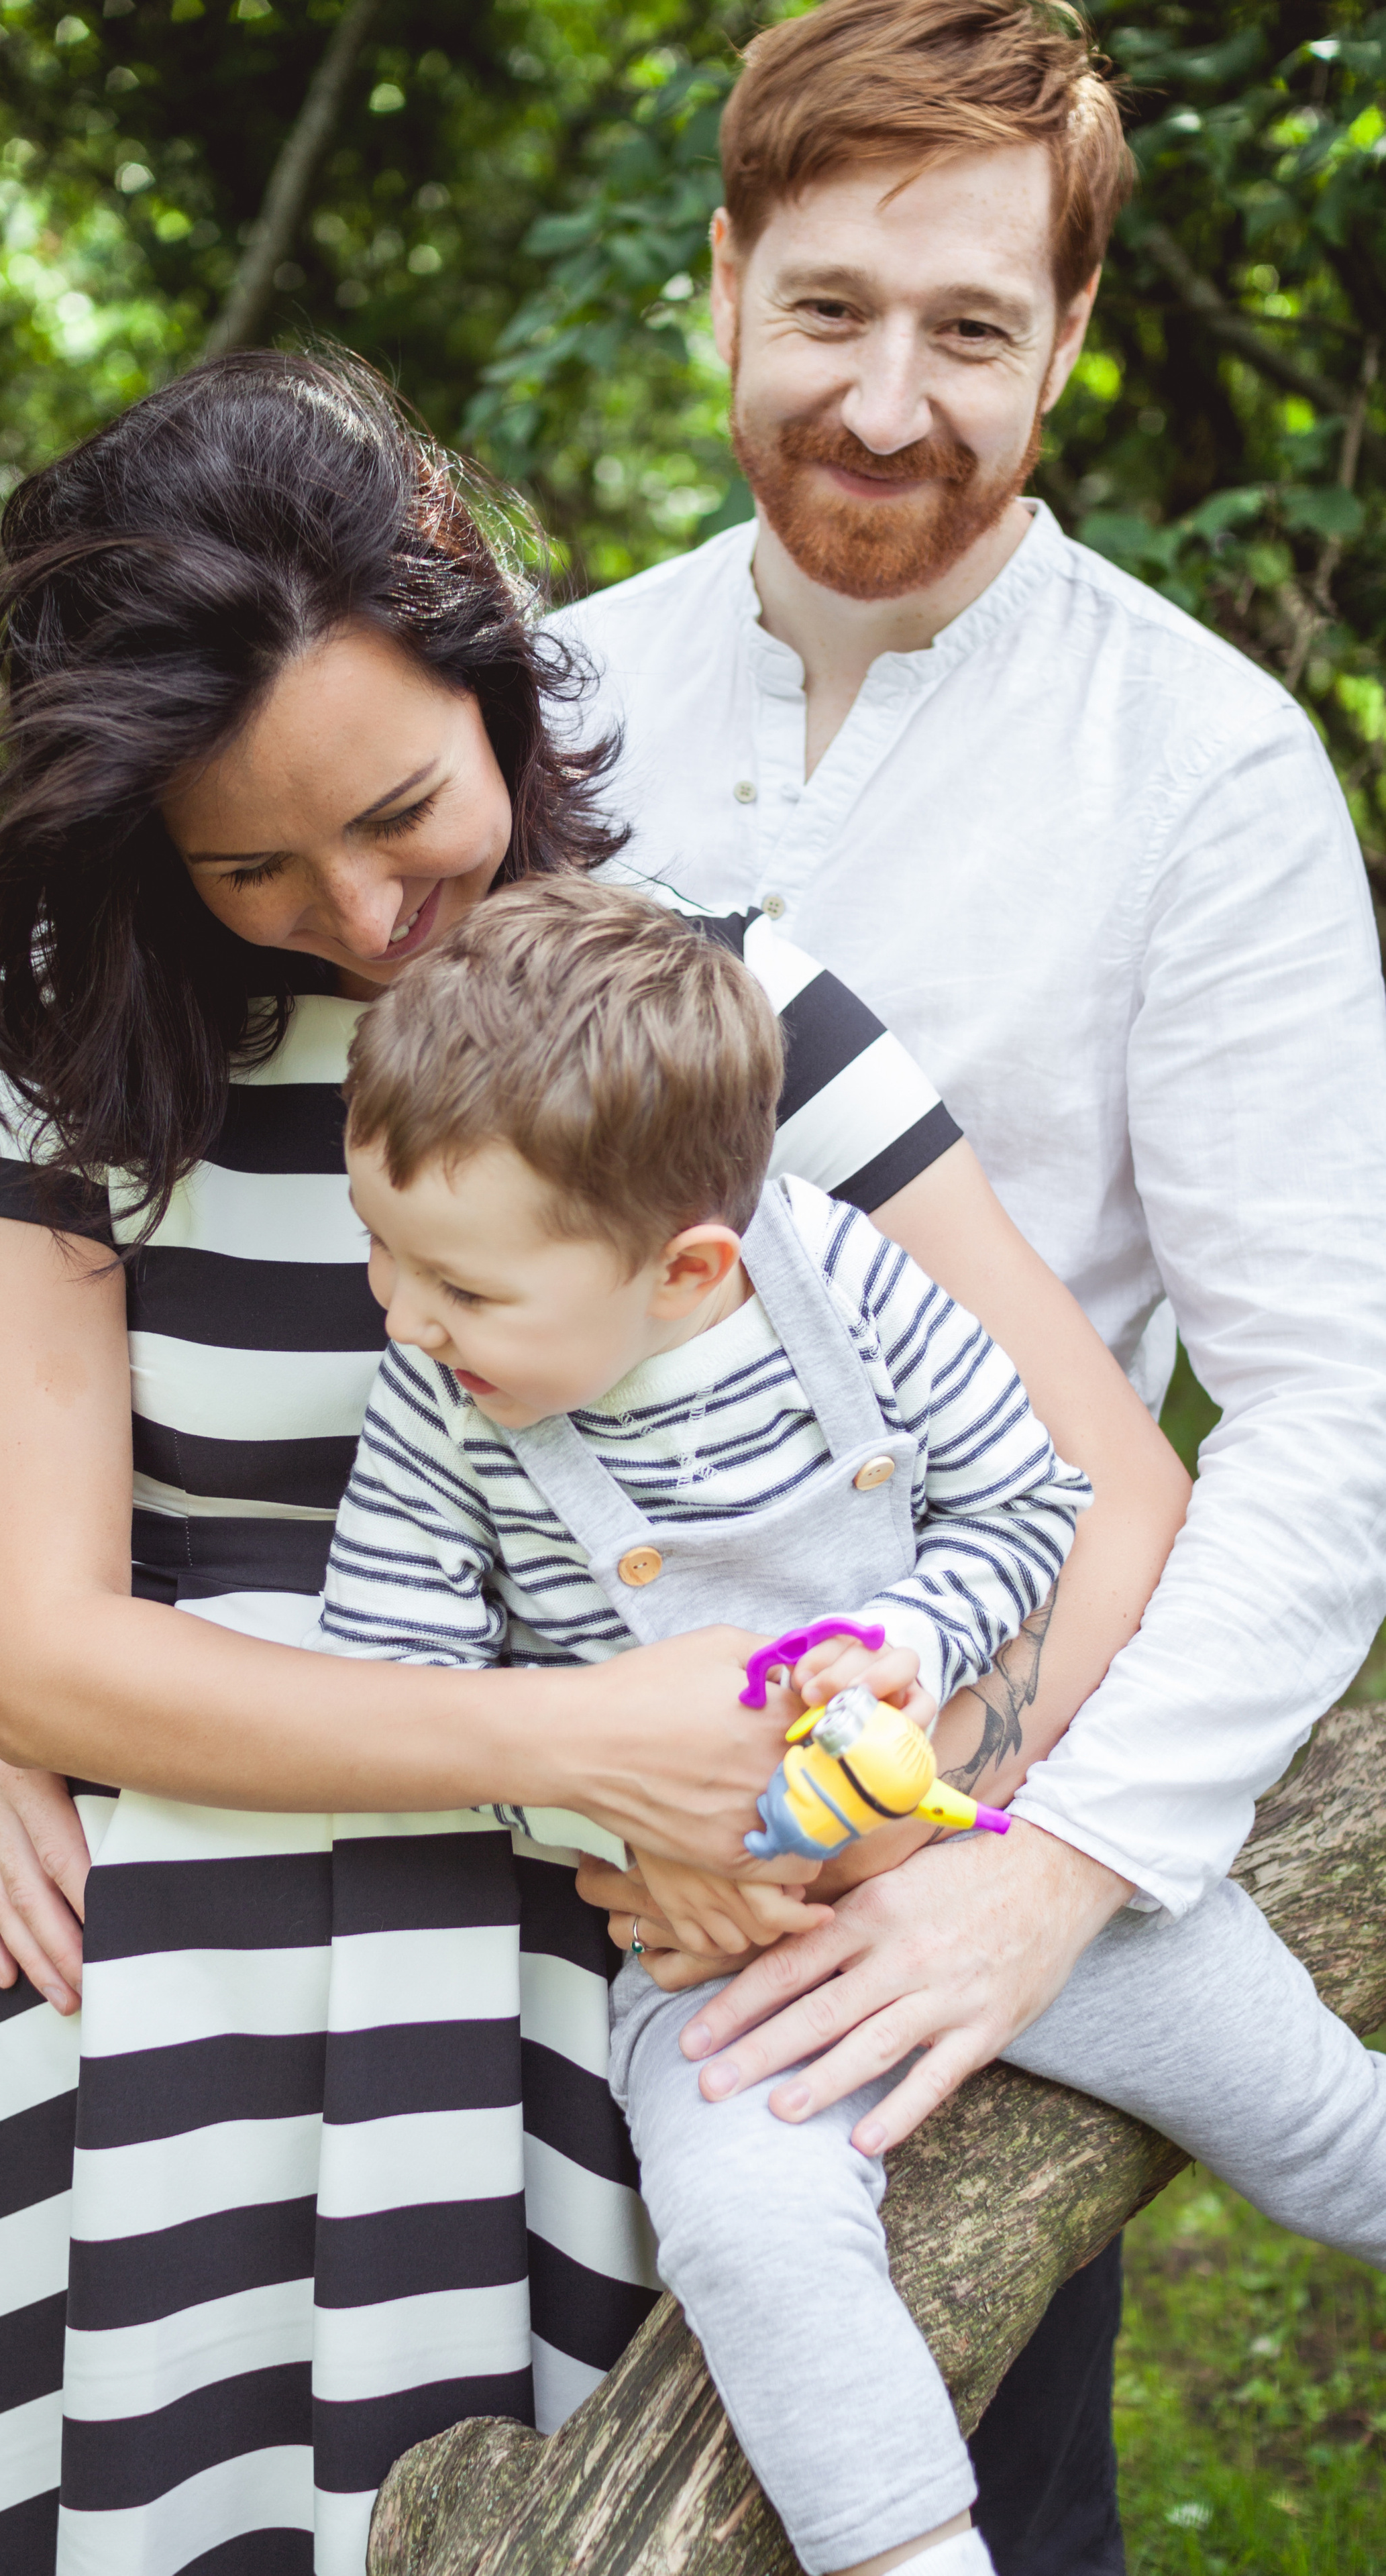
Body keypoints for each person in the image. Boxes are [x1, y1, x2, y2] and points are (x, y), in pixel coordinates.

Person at [0, 354, 1185, 2576]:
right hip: (162, 1973)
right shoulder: (63, 1020)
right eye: (250, 862)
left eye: (399, 816)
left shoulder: (709, 1003)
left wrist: (832, 1812)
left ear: (489, 666)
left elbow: (1107, 1490)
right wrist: (576, 1745)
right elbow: (50, 1646)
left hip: (593, 1977)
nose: (363, 919)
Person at [547, 3, 1386, 2565]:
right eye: (828, 310)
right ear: (717, 285)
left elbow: (1337, 1418)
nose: (889, 403)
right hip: (544, 1884)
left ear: (1072, 342)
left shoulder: (1207, 772)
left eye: (971, 332)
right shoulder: (543, 706)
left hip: (980, 1853)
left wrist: (1057, 1877)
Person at [318, 877, 1386, 2576]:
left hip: (984, 1852)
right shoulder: (440, 1412)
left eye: (455, 1282)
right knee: (748, 2238)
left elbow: (1030, 1499)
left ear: (686, 1269)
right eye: (381, 1247)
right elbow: (395, 1689)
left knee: (1309, 2111)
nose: (401, 1313)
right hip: (718, 1960)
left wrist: (909, 1639)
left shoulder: (837, 1281)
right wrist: (610, 1821)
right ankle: (901, 2551)